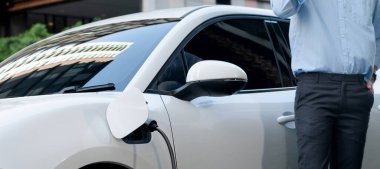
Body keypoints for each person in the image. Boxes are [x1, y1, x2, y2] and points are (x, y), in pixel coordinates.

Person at [270, 0, 380, 169]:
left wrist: (372, 71)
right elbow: (281, 8)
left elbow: (378, 32)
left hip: (357, 90)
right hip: (315, 89)